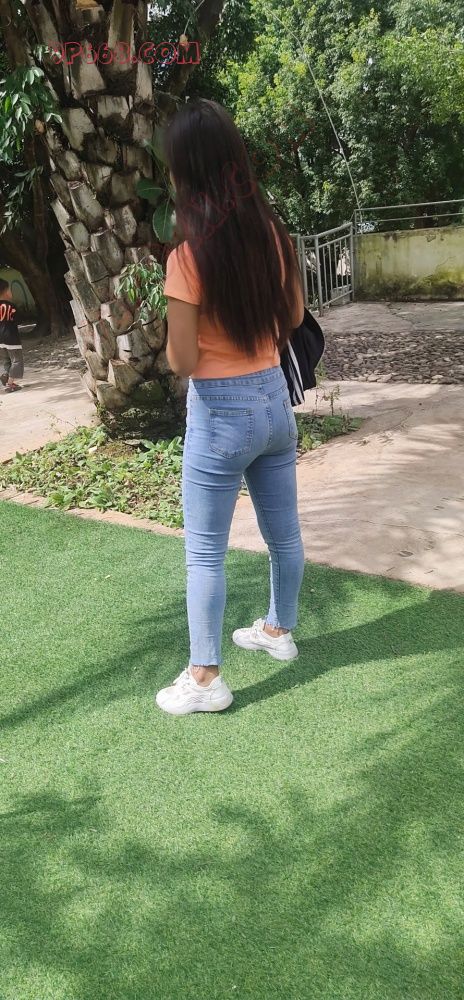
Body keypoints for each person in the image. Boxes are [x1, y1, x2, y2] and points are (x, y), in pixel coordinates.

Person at [155, 99, 305, 716]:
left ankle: (205, 677)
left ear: (185, 172)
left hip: (220, 413)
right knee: (284, 534)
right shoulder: (273, 236)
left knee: (205, 551)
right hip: (273, 400)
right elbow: (294, 316)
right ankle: (278, 631)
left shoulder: (187, 257)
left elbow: (183, 361)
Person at [0, 279, 23, 393]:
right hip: (11, 338)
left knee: (6, 360)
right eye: (9, 289)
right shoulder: (11, 306)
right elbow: (18, 320)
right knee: (17, 361)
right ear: (5, 292)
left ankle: (6, 374)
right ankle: (10, 384)